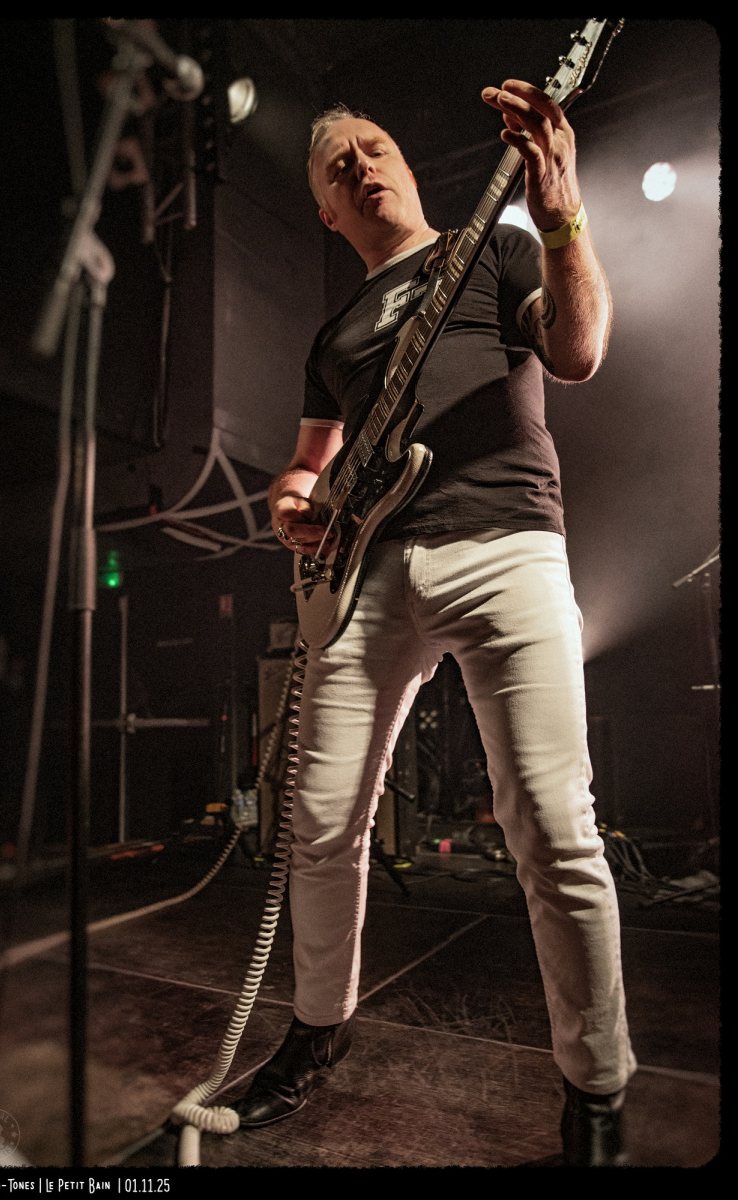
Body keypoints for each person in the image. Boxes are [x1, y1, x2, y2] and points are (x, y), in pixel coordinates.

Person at [233, 80, 637, 1167]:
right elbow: (307, 464)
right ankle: (317, 1029)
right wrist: (288, 501)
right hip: (366, 577)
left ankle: (596, 1087)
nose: (360, 166)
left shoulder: (491, 251)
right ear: (326, 211)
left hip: (505, 540)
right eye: (337, 167)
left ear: (405, 167)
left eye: (373, 147)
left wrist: (561, 216)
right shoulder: (333, 333)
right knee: (320, 822)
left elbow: (578, 349)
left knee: (551, 825)